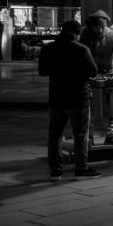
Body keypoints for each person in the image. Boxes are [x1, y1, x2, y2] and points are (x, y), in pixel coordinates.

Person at [39, 21, 100, 180]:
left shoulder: (49, 48)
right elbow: (93, 72)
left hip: (57, 98)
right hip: (78, 99)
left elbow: (42, 70)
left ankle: (56, 171)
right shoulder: (81, 49)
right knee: (80, 135)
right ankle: (81, 169)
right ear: (77, 33)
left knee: (55, 135)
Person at [81, 10, 113, 145]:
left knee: (112, 105)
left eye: (102, 27)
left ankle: (111, 134)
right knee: (89, 106)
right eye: (96, 27)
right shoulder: (85, 35)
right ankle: (89, 136)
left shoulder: (112, 35)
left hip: (108, 74)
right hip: (89, 75)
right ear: (91, 26)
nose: (100, 30)